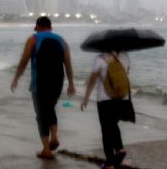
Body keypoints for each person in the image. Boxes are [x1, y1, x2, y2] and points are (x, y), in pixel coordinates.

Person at [11, 16, 76, 159]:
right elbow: (68, 64)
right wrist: (71, 83)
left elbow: (24, 61)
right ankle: (54, 137)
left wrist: (16, 77)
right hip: (57, 82)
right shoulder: (62, 41)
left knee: (41, 114)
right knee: (50, 108)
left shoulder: (33, 39)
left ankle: (46, 149)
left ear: (38, 26)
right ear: (50, 27)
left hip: (39, 83)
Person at [81, 51, 130, 169]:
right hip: (121, 98)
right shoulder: (125, 56)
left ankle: (110, 163)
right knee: (113, 125)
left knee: (106, 130)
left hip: (105, 99)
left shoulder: (100, 58)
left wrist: (86, 98)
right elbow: (126, 74)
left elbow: (92, 80)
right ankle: (119, 149)